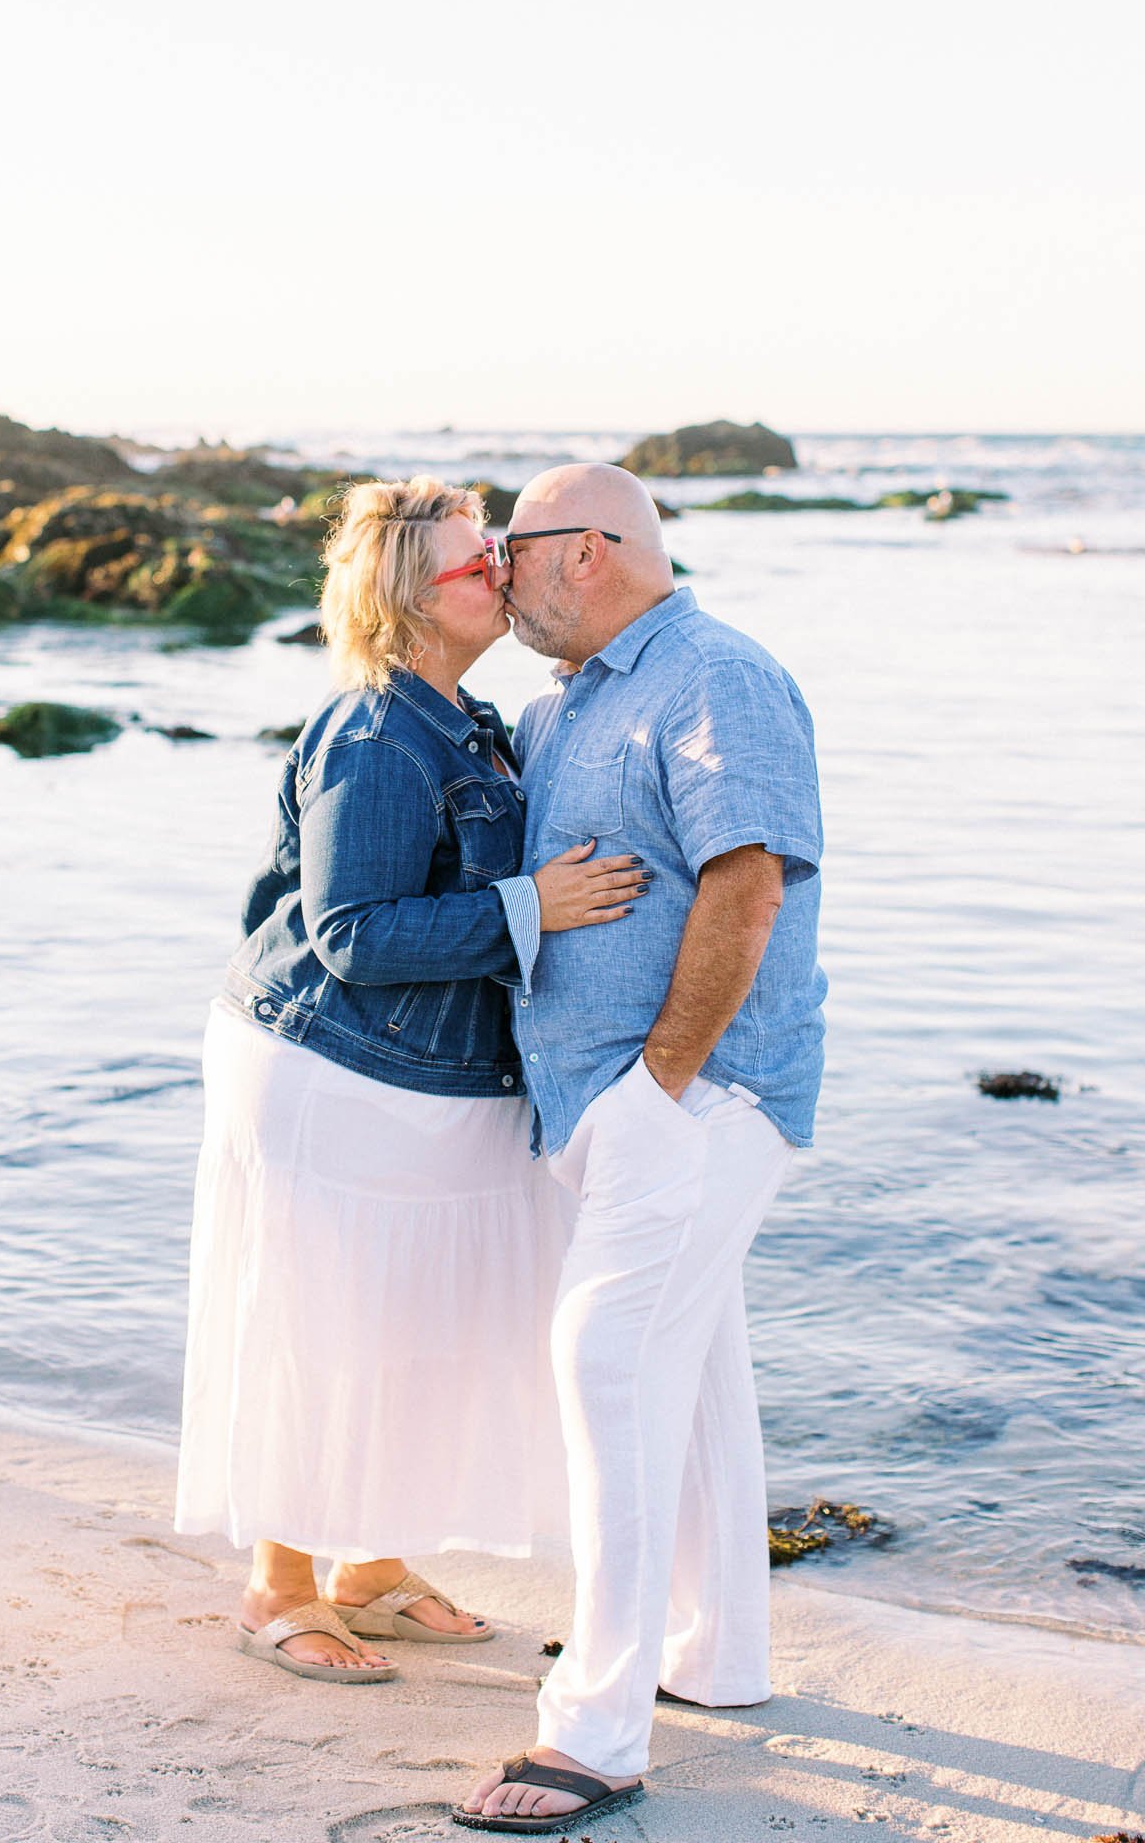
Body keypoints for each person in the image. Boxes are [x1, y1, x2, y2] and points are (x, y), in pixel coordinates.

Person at [174, 474, 647, 1684]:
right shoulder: (379, 733)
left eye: (493, 548)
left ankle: (370, 1569)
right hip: (331, 1068)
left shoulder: (467, 719)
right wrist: (527, 907)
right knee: (323, 1328)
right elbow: (353, 934)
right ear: (408, 600)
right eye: (472, 559)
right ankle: (279, 1587)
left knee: (412, 1334)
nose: (500, 567)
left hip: (426, 1083)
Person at [457, 463, 827, 1834]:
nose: (496, 571)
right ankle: (719, 1656)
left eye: (512, 548)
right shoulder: (569, 705)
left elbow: (750, 880)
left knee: (606, 1358)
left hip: (699, 1094)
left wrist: (662, 1084)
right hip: (618, 1105)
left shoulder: (715, 675)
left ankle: (598, 1731)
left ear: (591, 551)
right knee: (694, 1369)